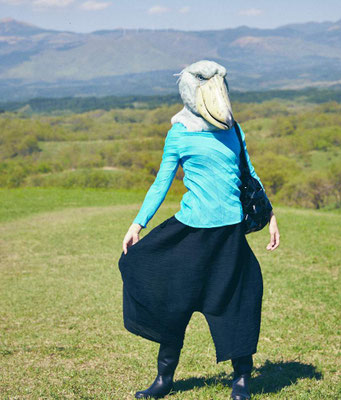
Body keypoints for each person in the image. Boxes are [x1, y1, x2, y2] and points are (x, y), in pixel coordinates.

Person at [118, 60, 280, 400]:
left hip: (229, 239)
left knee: (237, 305)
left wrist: (271, 216)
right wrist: (138, 223)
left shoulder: (234, 129)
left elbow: (249, 173)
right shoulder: (179, 133)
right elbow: (161, 182)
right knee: (172, 304)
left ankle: (241, 381)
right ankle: (164, 380)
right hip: (190, 235)